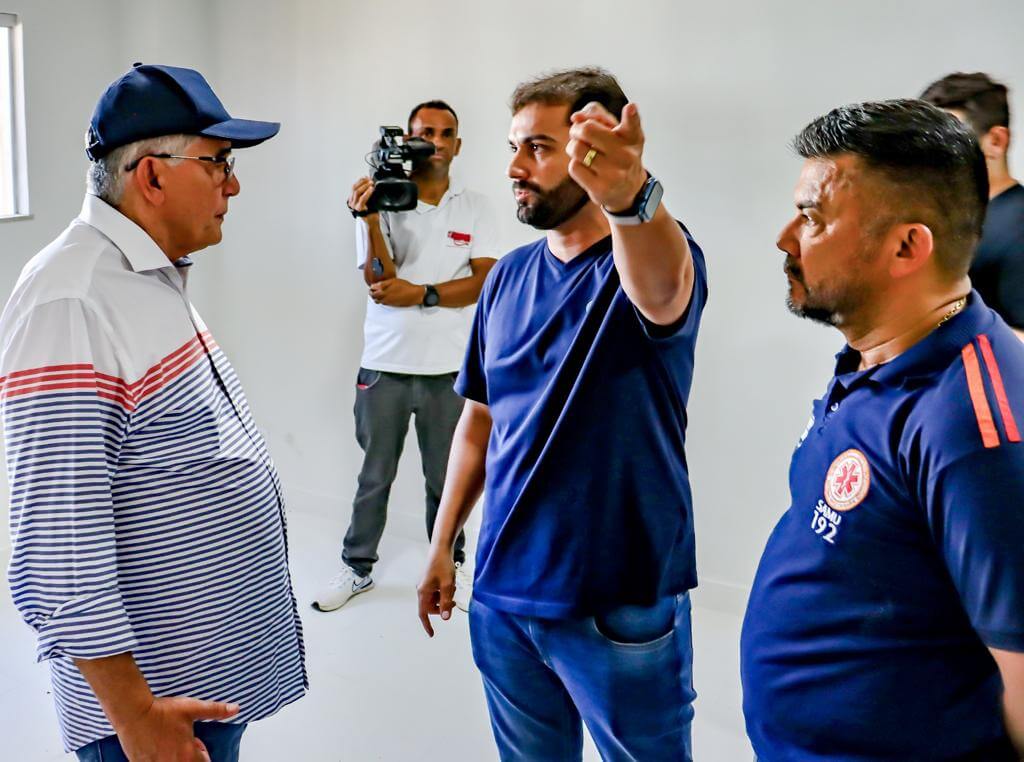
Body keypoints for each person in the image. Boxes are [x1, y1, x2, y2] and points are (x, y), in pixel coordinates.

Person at [0, 63, 307, 762]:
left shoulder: (139, 273)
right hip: (153, 713)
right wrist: (135, 716)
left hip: (194, 686)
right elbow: (57, 547)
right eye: (218, 163)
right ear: (152, 176)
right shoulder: (72, 299)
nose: (233, 186)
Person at [417, 67, 707, 761]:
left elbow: (663, 290)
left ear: (594, 156)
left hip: (617, 603)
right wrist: (443, 541)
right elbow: (480, 421)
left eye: (539, 148)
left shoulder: (649, 257)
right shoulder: (506, 277)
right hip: (502, 596)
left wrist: (631, 198)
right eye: (514, 146)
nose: (515, 167)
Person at [741, 99, 1024, 760]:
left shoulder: (972, 427)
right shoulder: (876, 352)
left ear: (906, 247)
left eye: (812, 216)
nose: (785, 237)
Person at [313, 100, 498, 613]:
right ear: (406, 142)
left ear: (457, 144)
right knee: (375, 477)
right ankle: (357, 569)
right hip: (385, 363)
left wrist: (419, 293)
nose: (434, 142)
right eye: (423, 133)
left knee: (448, 478)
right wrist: (370, 219)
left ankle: (451, 565)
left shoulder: (475, 206)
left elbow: (484, 281)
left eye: (445, 133)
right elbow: (378, 280)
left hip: (451, 368)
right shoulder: (381, 200)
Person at [922, 72, 1024, 337]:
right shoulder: (942, 221)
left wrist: (950, 320)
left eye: (949, 141)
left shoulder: (1018, 225)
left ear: (996, 141)